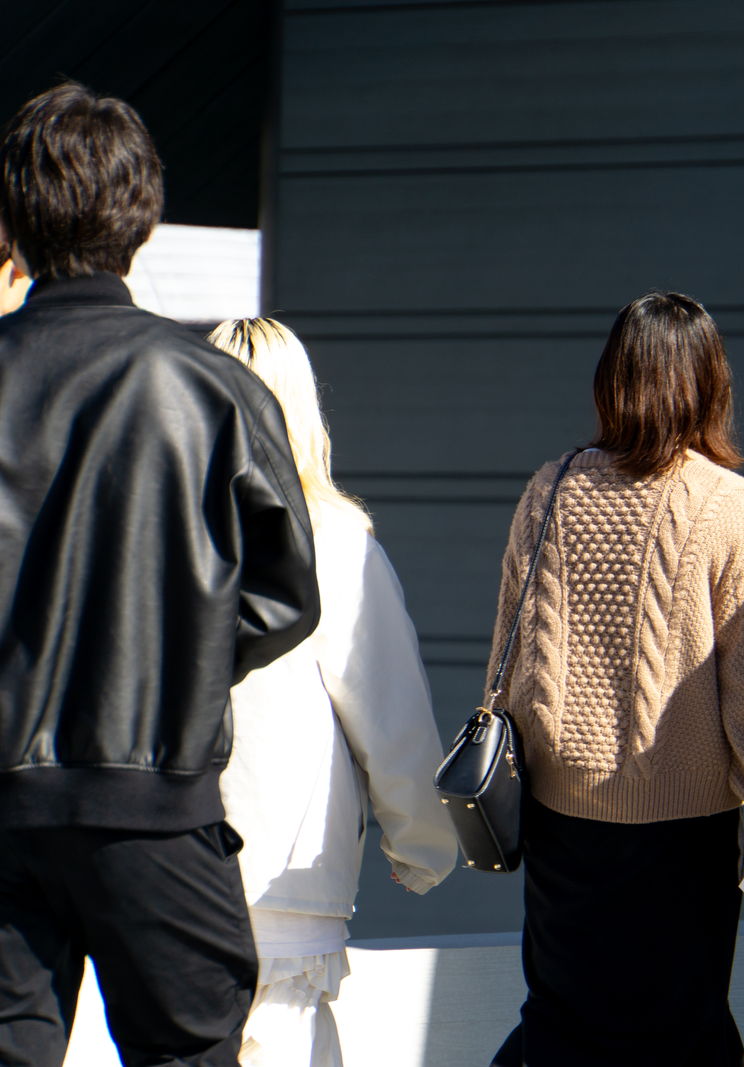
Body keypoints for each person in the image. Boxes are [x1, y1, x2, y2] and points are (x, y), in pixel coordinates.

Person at [0, 83, 320, 1065]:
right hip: (158, 810)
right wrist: (177, 663)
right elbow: (287, 594)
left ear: (13, 223)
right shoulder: (213, 387)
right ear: (142, 220)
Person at [488, 291, 744, 1067]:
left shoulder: (549, 489)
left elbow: (510, 653)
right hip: (684, 827)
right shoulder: (731, 505)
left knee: (563, 1027)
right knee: (681, 1033)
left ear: (611, 379)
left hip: (561, 820)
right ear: (710, 384)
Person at [209, 318, 459, 1067]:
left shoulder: (162, 532)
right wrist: (423, 846)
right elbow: (390, 714)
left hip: (167, 868)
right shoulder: (337, 542)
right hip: (288, 877)